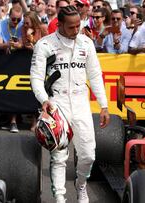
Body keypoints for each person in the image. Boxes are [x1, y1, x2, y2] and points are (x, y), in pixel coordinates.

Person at [30, 5, 110, 203]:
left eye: (78, 26)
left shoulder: (86, 43)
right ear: (59, 24)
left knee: (88, 155)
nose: (76, 31)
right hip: (57, 102)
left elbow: (95, 75)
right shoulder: (44, 45)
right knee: (59, 154)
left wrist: (104, 105)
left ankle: (81, 186)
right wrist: (44, 100)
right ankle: (60, 197)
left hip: (81, 101)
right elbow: (36, 77)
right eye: (71, 27)